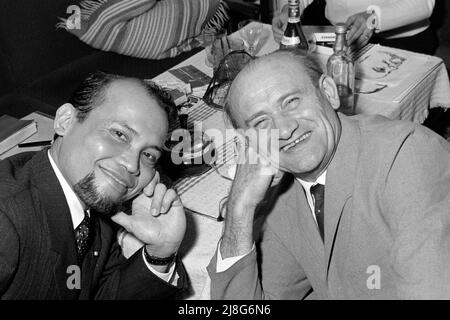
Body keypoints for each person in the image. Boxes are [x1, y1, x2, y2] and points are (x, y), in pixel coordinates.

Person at [207, 50, 450, 299]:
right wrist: (240, 208)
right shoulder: (283, 191)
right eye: (261, 122)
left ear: (329, 92)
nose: (285, 129)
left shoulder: (408, 159)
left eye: (291, 102)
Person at [0, 71, 188, 299]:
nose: (132, 165)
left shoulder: (94, 210)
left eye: (148, 155)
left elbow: (92, 292)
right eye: (119, 134)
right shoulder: (6, 222)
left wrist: (161, 252)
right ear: (65, 121)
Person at [272, 0, 437, 54]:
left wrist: (374, 17)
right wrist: (289, 9)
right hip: (339, 37)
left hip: (403, 41)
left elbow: (424, 3)